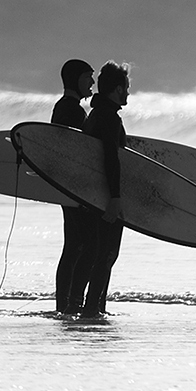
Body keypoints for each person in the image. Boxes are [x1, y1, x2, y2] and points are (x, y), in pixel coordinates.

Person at [77, 61, 130, 318]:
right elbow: (111, 158)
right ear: (117, 89)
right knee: (106, 254)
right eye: (127, 88)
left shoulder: (97, 114)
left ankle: (90, 307)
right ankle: (91, 309)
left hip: (93, 195)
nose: (129, 93)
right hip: (104, 197)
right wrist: (115, 198)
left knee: (99, 253)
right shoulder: (108, 118)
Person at [51, 59, 93, 315]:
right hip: (74, 188)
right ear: (76, 79)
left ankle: (66, 303)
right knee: (79, 246)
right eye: (89, 76)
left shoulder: (65, 107)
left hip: (69, 187)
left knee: (75, 245)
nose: (92, 82)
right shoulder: (70, 110)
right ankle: (69, 303)